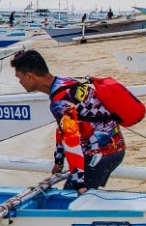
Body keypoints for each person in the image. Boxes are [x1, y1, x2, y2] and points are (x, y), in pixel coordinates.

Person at [10, 49, 125, 194]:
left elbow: (72, 140)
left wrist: (78, 183)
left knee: (72, 199)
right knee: (86, 197)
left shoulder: (60, 102)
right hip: (115, 146)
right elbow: (63, 128)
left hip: (101, 154)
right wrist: (59, 160)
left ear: (30, 76)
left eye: (19, 78)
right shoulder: (64, 82)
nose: (19, 82)